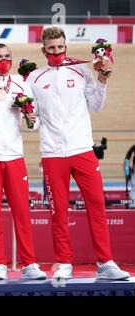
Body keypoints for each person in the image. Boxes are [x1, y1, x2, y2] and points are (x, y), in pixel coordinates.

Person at [26, 26, 130, 280]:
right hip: (52, 153)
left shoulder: (82, 70)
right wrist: (28, 118)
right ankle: (64, 262)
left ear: (66, 47)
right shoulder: (35, 79)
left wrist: (103, 80)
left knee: (97, 206)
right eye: (51, 49)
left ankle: (105, 262)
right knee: (58, 211)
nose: (56, 52)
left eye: (60, 48)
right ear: (43, 50)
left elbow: (95, 105)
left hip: (82, 149)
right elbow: (35, 121)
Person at [0, 43, 46, 280]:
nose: (3, 61)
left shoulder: (24, 85)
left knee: (22, 212)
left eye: (7, 56)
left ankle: (29, 263)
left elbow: (35, 125)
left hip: (15, 157)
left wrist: (29, 116)